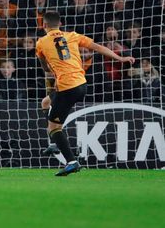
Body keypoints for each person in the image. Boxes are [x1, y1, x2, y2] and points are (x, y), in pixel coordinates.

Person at [35, 11, 134, 176]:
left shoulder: (41, 43)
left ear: (44, 25)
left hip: (66, 87)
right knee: (45, 103)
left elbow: (45, 68)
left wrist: (50, 65)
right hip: (81, 84)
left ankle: (71, 161)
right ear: (60, 24)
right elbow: (97, 47)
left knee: (53, 127)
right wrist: (120, 58)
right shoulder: (73, 35)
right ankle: (54, 143)